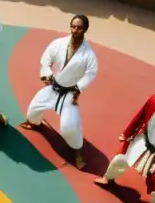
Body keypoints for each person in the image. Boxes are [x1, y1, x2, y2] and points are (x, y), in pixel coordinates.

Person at [21, 14, 99, 169]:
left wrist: (78, 88)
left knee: (69, 127)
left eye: (79, 28)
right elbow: (46, 59)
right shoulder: (59, 44)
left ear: (85, 29)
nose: (75, 30)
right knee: (32, 112)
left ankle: (77, 150)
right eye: (73, 26)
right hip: (53, 87)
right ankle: (36, 123)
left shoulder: (88, 54)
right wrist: (47, 74)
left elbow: (91, 73)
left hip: (70, 93)